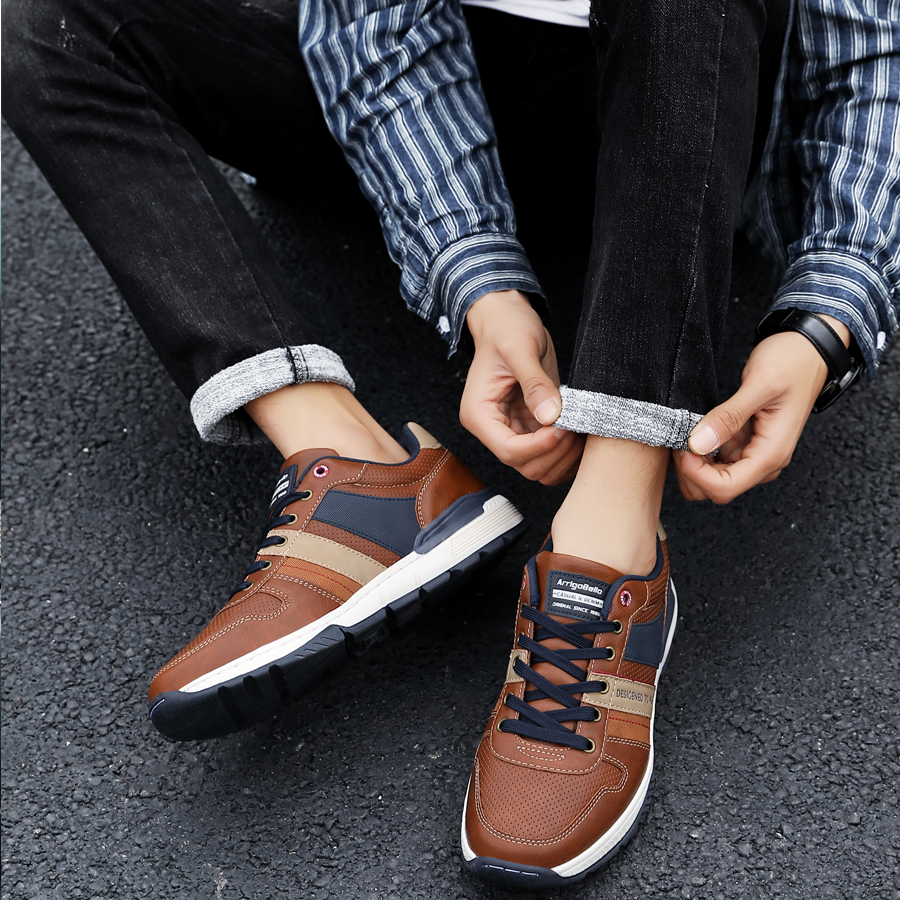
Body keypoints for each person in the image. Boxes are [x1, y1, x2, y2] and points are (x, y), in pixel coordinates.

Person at [3, 0, 897, 891]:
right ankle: (358, 467)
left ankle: (610, 536)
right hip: (441, 105)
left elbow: (874, 54)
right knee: (50, 27)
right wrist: (475, 271)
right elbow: (371, 26)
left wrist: (828, 314)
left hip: (684, 102)